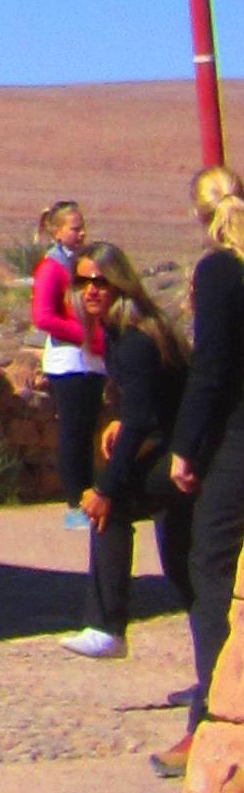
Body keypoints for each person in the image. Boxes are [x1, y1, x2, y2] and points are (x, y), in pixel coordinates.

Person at [66, 246, 190, 660]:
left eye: (100, 282)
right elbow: (148, 404)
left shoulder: (134, 339)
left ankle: (107, 626)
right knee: (187, 571)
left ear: (120, 284)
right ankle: (216, 680)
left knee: (111, 508)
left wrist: (105, 487)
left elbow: (142, 422)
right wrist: (123, 419)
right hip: (180, 446)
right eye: (83, 282)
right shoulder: (122, 333)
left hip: (189, 454)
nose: (91, 291)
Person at [170, 167, 244, 733]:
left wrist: (186, 448)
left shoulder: (221, 271)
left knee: (209, 565)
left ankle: (214, 719)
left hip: (236, 439)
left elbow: (213, 369)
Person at [31, 199, 107, 621]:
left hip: (90, 361)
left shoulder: (80, 266)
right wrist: (85, 337)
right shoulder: (52, 269)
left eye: (83, 226)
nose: (81, 233)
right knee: (74, 433)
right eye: (74, 228)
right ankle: (74, 503)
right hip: (70, 361)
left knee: (86, 431)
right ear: (57, 231)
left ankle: (88, 496)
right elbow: (43, 316)